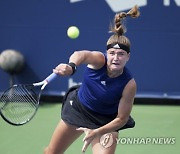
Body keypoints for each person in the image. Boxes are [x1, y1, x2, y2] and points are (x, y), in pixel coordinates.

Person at [44, 5, 140, 154]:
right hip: (79, 109)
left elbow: (121, 118)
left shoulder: (129, 84)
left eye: (121, 54)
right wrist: (71, 67)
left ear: (128, 57)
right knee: (51, 152)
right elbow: (81, 54)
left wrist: (96, 132)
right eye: (112, 53)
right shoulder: (99, 60)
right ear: (106, 53)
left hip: (106, 121)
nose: (115, 58)